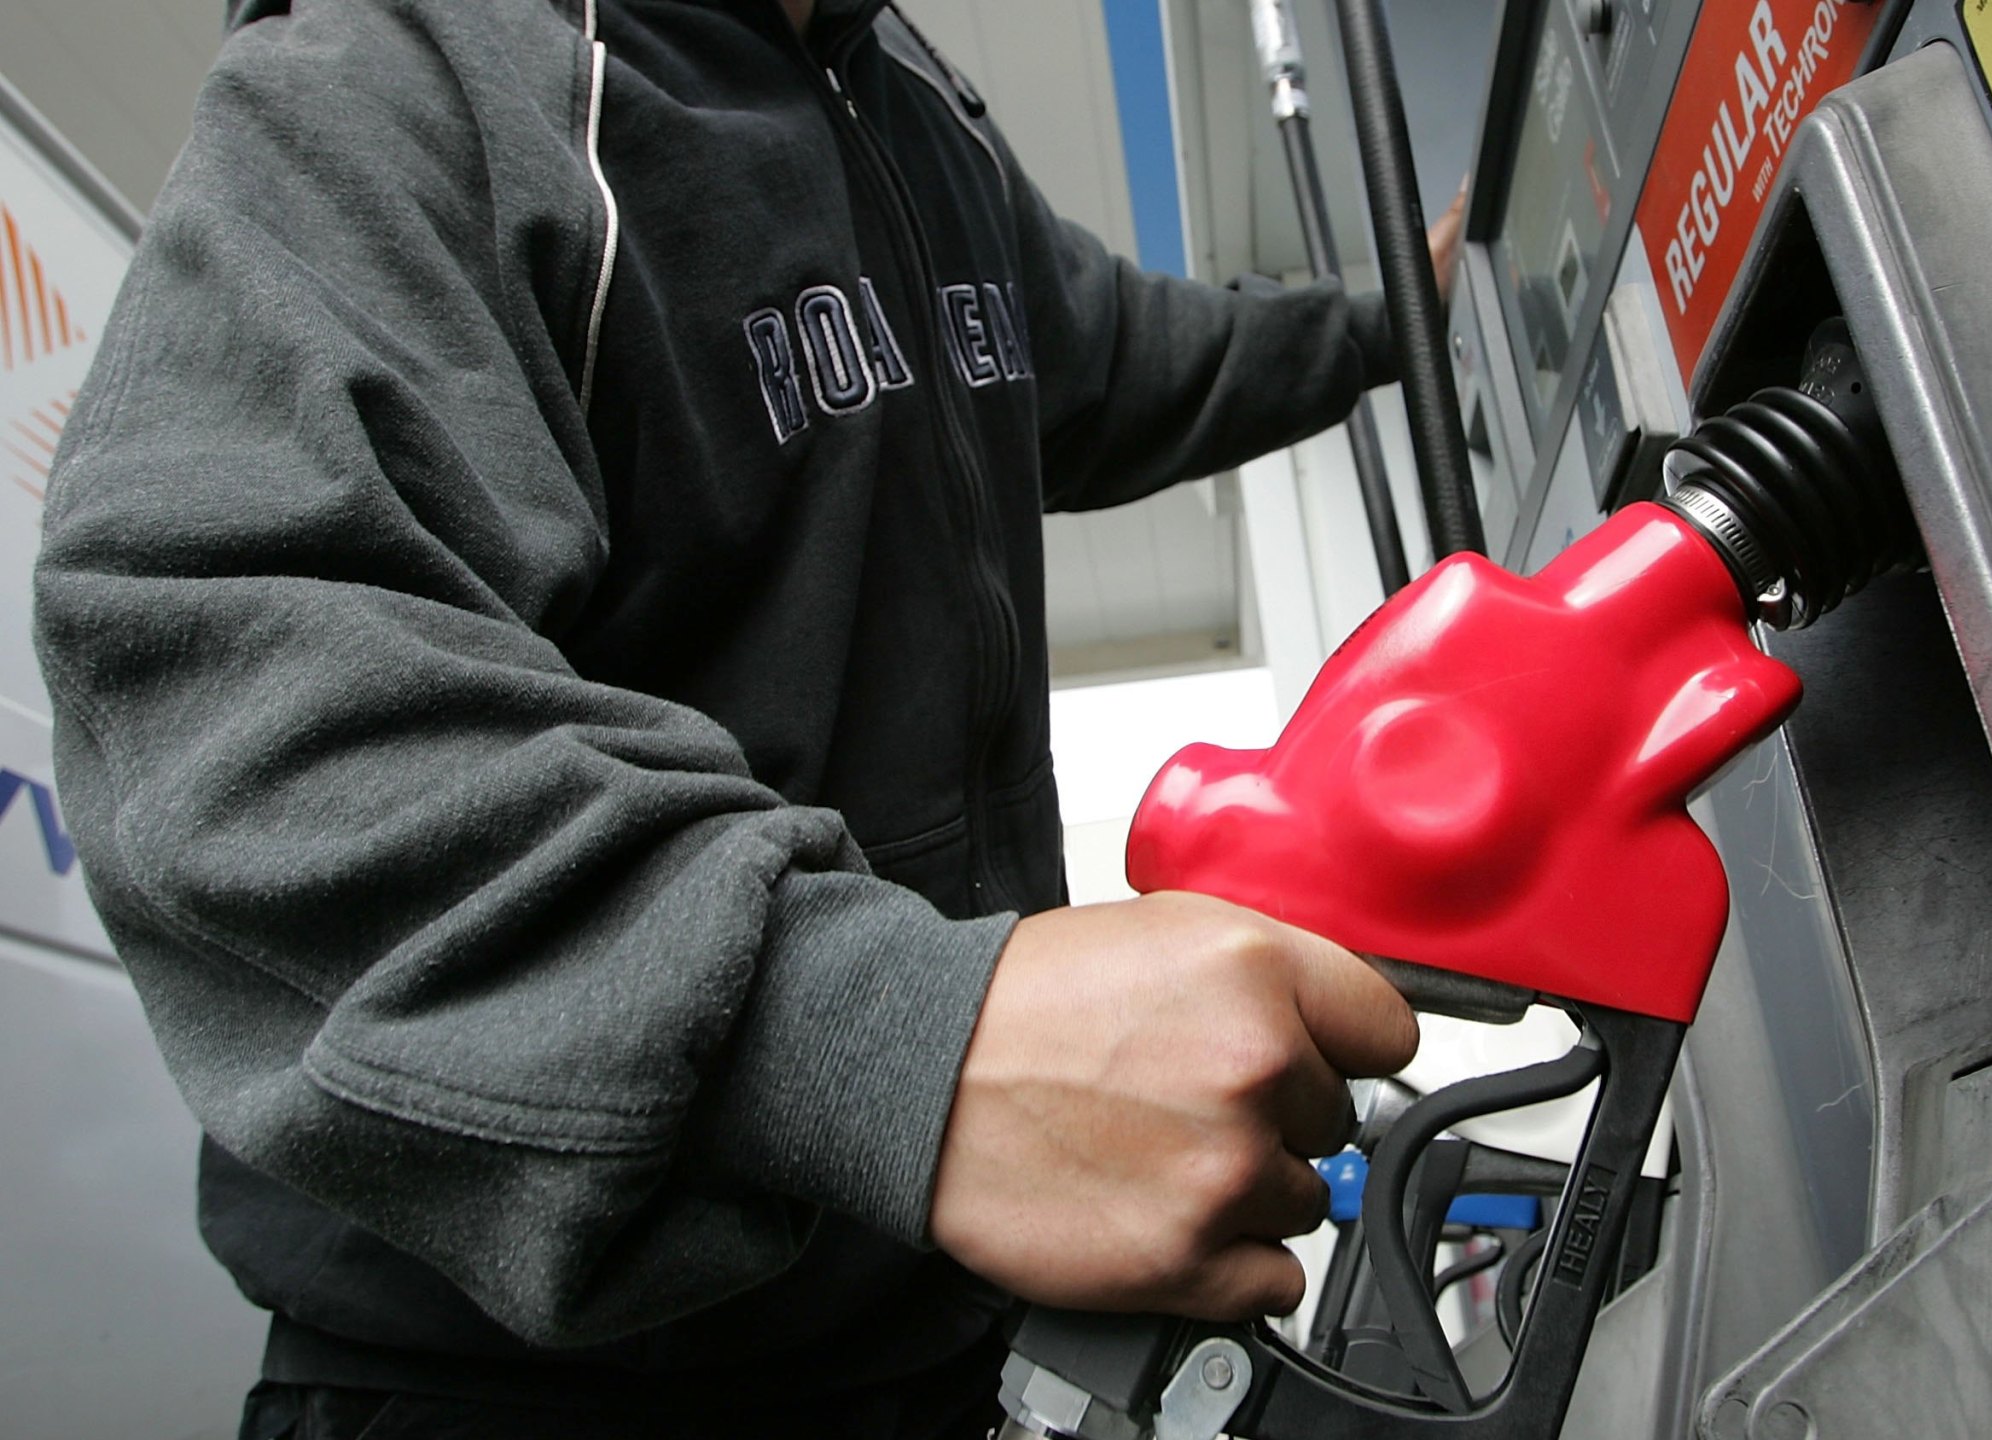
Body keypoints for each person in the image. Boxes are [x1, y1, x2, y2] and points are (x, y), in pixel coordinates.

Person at [33, 0, 1451, 1434]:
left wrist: (1405, 313)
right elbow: (233, 694)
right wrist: (900, 1042)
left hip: (928, 1326)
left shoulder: (907, 109)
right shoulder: (425, 68)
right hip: (530, 1386)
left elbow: (1127, 357)